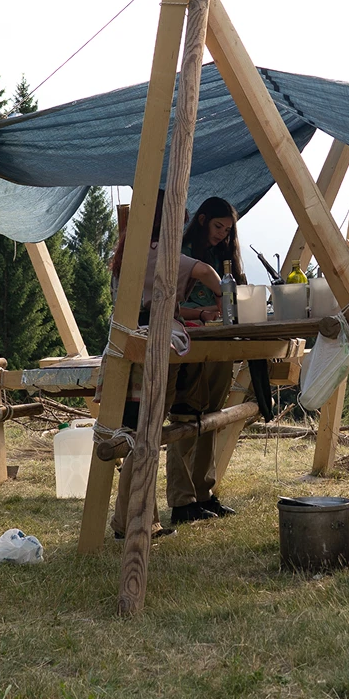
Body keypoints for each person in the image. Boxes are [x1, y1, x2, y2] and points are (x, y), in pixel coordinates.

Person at [107, 191, 222, 538]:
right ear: (164, 219)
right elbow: (205, 271)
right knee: (146, 435)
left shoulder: (128, 249)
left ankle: (125, 521)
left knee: (138, 434)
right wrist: (225, 296)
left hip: (126, 342)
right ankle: (138, 521)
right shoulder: (159, 251)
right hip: (152, 344)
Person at [166, 197, 245, 524]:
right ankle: (181, 502)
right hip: (186, 344)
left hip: (218, 344)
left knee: (211, 418)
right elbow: (163, 306)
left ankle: (204, 494)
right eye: (217, 227)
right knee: (186, 417)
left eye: (227, 231)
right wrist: (201, 312)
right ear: (201, 221)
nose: (222, 235)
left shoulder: (223, 257)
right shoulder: (177, 253)